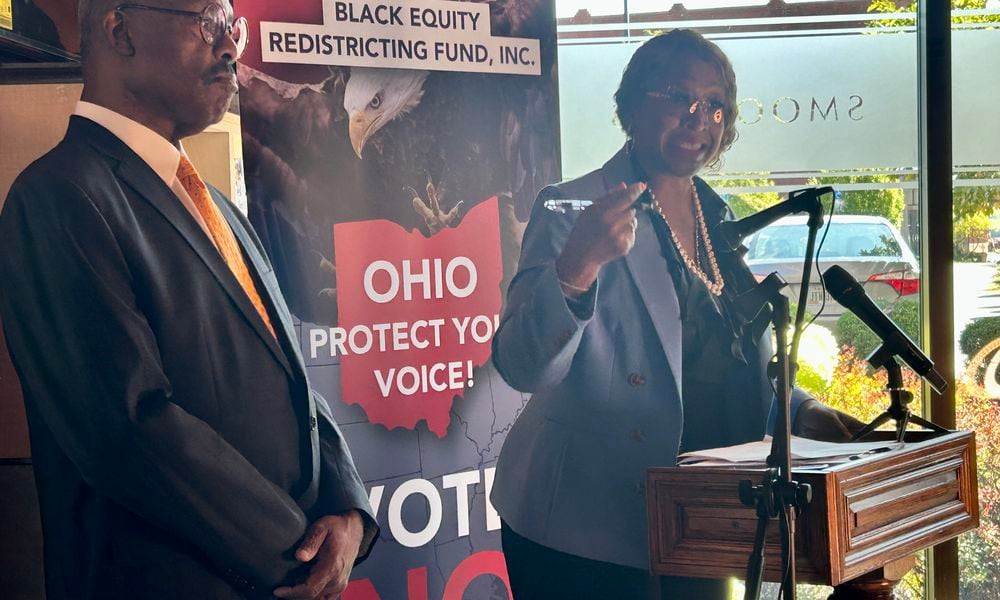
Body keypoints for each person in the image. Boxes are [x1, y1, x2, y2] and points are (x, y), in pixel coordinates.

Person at [0, 2, 376, 598]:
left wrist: (350, 509)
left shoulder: (219, 207)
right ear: (119, 28)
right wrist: (298, 554)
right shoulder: (58, 197)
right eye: (209, 22)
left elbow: (289, 375)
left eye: (235, 27)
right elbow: (130, 429)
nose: (231, 48)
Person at [489, 29, 863, 599]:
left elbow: (727, 362)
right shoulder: (571, 207)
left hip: (702, 520)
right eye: (677, 96)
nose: (699, 118)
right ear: (632, 105)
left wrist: (800, 411)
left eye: (715, 105)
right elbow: (521, 367)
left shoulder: (720, 217)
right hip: (583, 528)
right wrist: (575, 268)